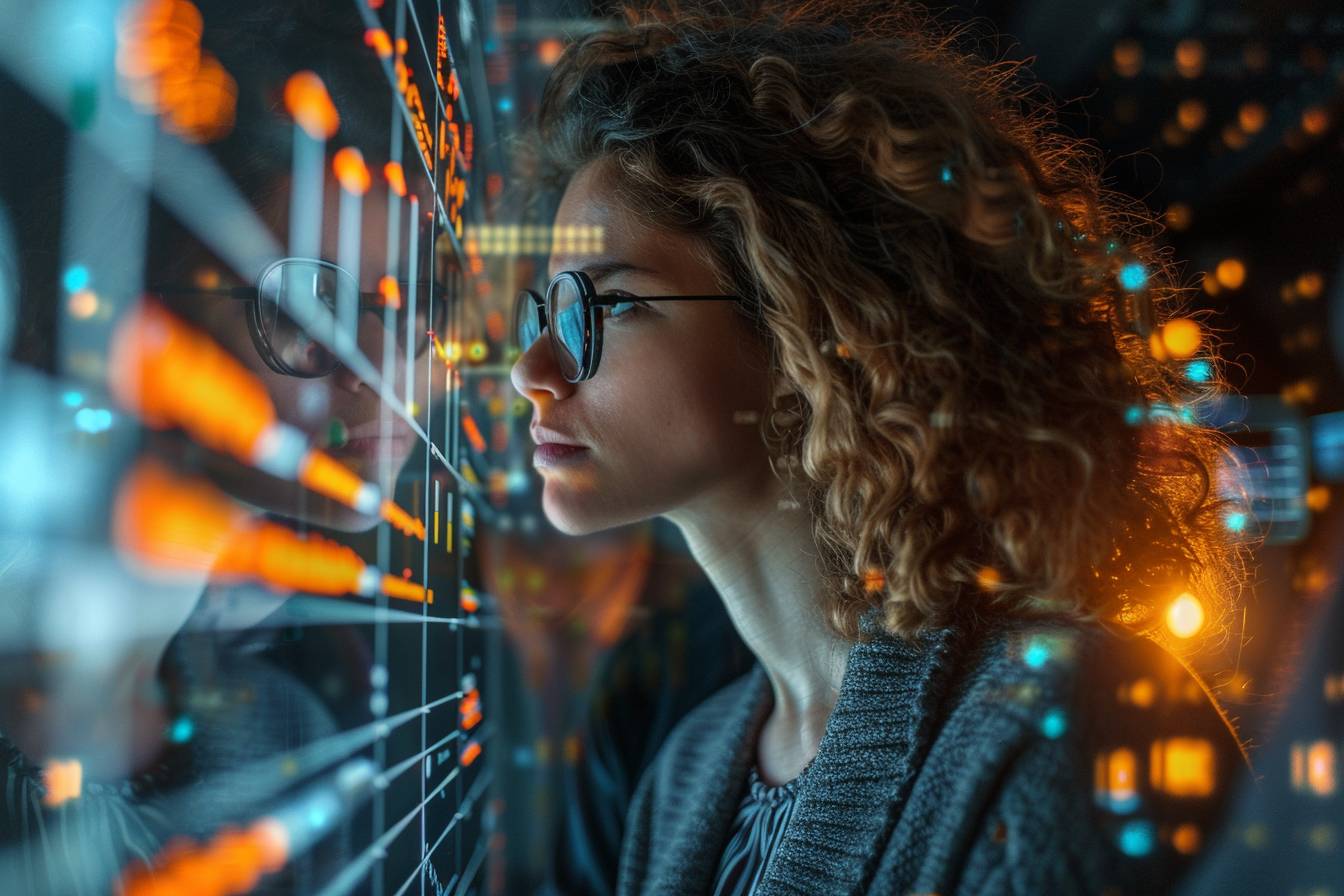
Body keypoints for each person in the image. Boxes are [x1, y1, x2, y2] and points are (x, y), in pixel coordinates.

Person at [509, 1, 1258, 893]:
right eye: (547, 311)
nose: (533, 368)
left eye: (604, 305)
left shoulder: (1074, 723)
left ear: (809, 329)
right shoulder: (681, 776)